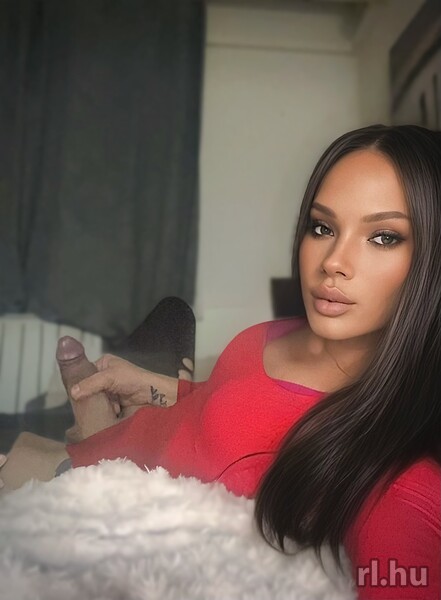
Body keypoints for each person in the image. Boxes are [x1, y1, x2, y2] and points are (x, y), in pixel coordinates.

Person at [1, 124, 440, 600]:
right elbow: (235, 400)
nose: (333, 260)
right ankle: (130, 390)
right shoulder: (278, 332)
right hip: (115, 439)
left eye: (384, 237)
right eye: (323, 227)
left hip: (86, 487)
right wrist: (157, 387)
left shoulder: (397, 476)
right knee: (168, 320)